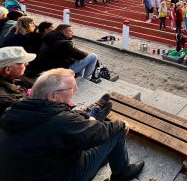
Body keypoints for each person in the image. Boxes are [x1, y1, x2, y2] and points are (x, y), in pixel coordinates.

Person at [0, 68, 144, 181]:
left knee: (83, 130)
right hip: (61, 176)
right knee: (116, 130)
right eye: (72, 89)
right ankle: (122, 173)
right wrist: (121, 123)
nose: (75, 91)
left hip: (30, 172)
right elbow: (100, 133)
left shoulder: (12, 111)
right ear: (52, 96)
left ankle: (92, 125)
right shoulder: (62, 121)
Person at [25, 24, 97, 79]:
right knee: (93, 56)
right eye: (70, 31)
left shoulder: (49, 39)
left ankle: (78, 78)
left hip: (47, 68)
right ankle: (86, 79)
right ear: (63, 32)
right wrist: (85, 53)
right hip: (59, 71)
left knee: (79, 58)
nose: (72, 32)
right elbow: (81, 55)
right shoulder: (65, 43)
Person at [0, 46, 34, 115]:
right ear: (8, 70)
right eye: (22, 62)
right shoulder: (6, 99)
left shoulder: (12, 79)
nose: (27, 63)